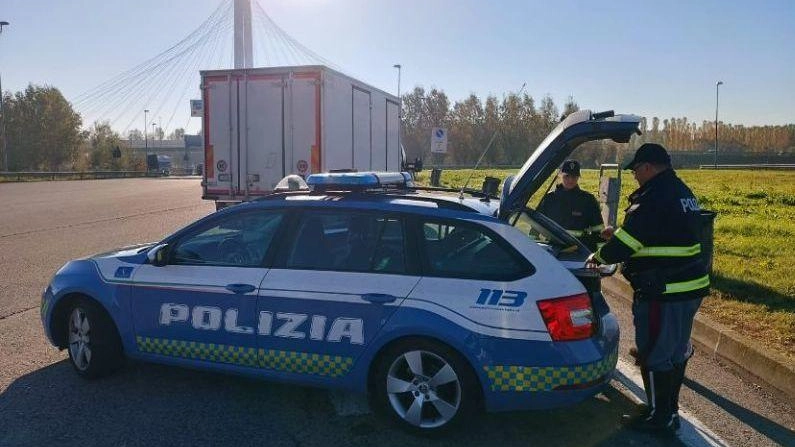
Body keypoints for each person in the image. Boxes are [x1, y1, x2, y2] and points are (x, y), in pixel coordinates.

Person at [588, 143, 710, 435]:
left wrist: (599, 256)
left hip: (663, 290)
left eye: (635, 171)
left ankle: (659, 416)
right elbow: (660, 233)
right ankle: (669, 410)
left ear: (646, 167)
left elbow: (631, 242)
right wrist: (620, 233)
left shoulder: (654, 196)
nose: (634, 177)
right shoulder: (681, 191)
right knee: (675, 352)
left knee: (654, 354)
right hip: (688, 288)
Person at [537, 159, 606, 251]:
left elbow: (598, 231)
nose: (570, 180)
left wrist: (599, 258)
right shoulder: (549, 198)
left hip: (579, 251)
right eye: (567, 176)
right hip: (552, 250)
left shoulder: (588, 200)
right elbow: (536, 225)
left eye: (574, 177)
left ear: (578, 177)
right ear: (560, 175)